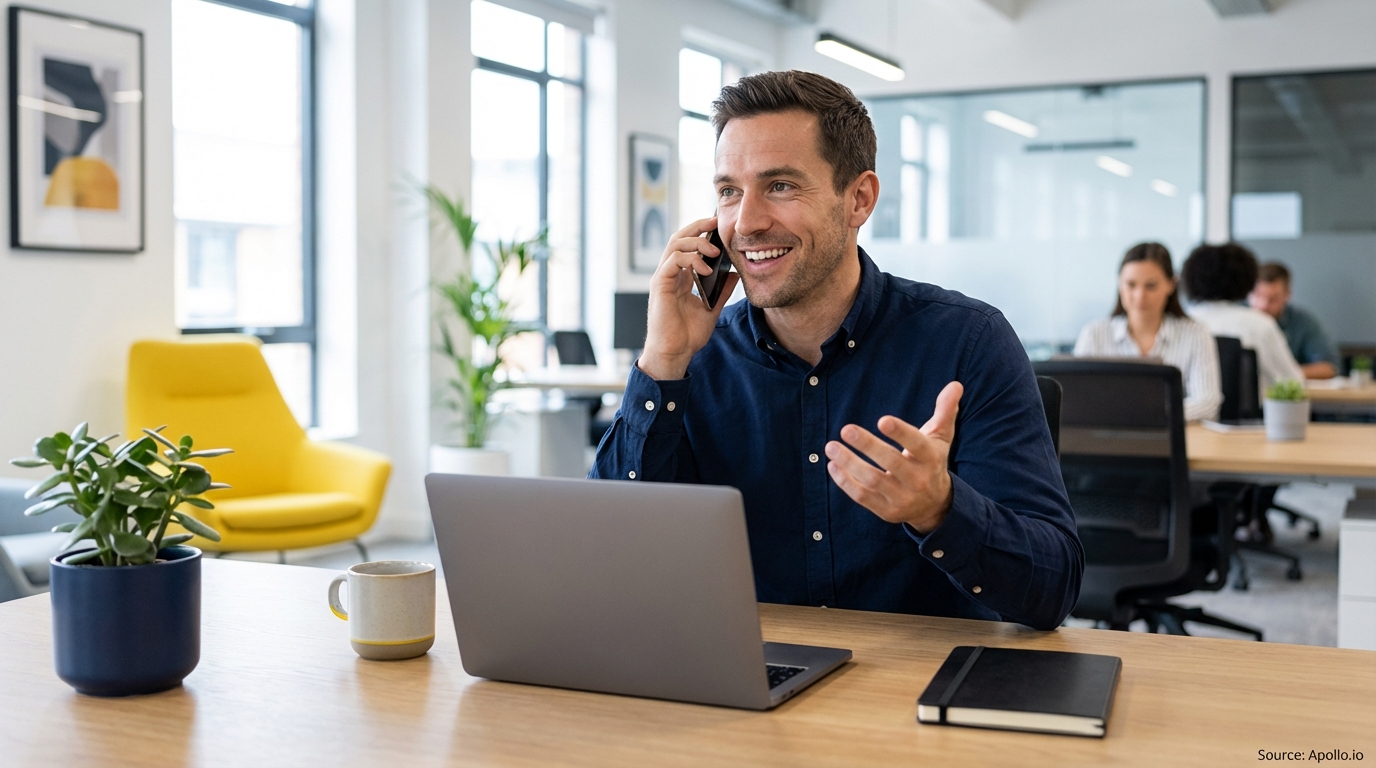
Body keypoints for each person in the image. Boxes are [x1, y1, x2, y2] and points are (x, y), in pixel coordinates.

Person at [589, 71, 1081, 631]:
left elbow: (1053, 587)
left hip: (917, 690)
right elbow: (611, 558)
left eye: (780, 186)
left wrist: (939, 511)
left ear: (859, 199)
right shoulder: (695, 358)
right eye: (729, 191)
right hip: (749, 679)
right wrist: (663, 361)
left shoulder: (967, 343)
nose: (745, 222)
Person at [1075, 243, 1222, 421]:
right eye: (1131, 285)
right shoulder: (1094, 333)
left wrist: (1150, 416)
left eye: (1151, 286)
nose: (1140, 296)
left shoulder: (1195, 334)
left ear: (1171, 284)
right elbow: (1079, 399)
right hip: (1108, 438)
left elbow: (1207, 402)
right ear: (1119, 284)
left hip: (1172, 439)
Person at [1180, 243, 1303, 391]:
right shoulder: (1259, 324)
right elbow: (1293, 382)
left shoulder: (1181, 323)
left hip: (1193, 413)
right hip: (1251, 414)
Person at [1248, 262, 1340, 380]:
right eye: (1258, 295)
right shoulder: (1236, 317)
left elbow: (1329, 367)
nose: (1263, 305)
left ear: (1287, 295)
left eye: (1273, 299)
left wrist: (1284, 373)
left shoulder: (1303, 321)